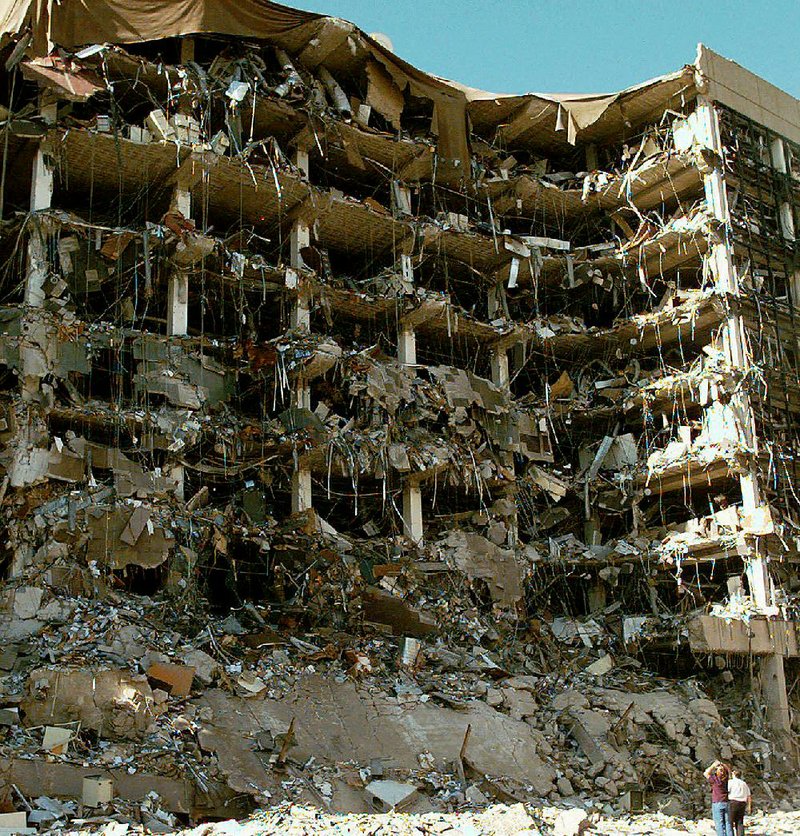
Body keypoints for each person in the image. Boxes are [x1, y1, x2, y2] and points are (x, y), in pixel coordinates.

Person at [703, 760, 733, 836]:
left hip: (717, 802)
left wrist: (713, 765)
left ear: (717, 772)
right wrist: (723, 765)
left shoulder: (715, 779)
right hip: (726, 802)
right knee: (728, 823)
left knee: (719, 823)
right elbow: (729, 771)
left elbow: (706, 773)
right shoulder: (726, 779)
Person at [727, 769, 752, 836]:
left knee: (730, 822)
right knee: (739, 822)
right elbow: (749, 796)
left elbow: (726, 791)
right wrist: (749, 807)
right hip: (742, 803)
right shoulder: (744, 783)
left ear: (734, 774)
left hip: (733, 802)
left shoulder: (731, 782)